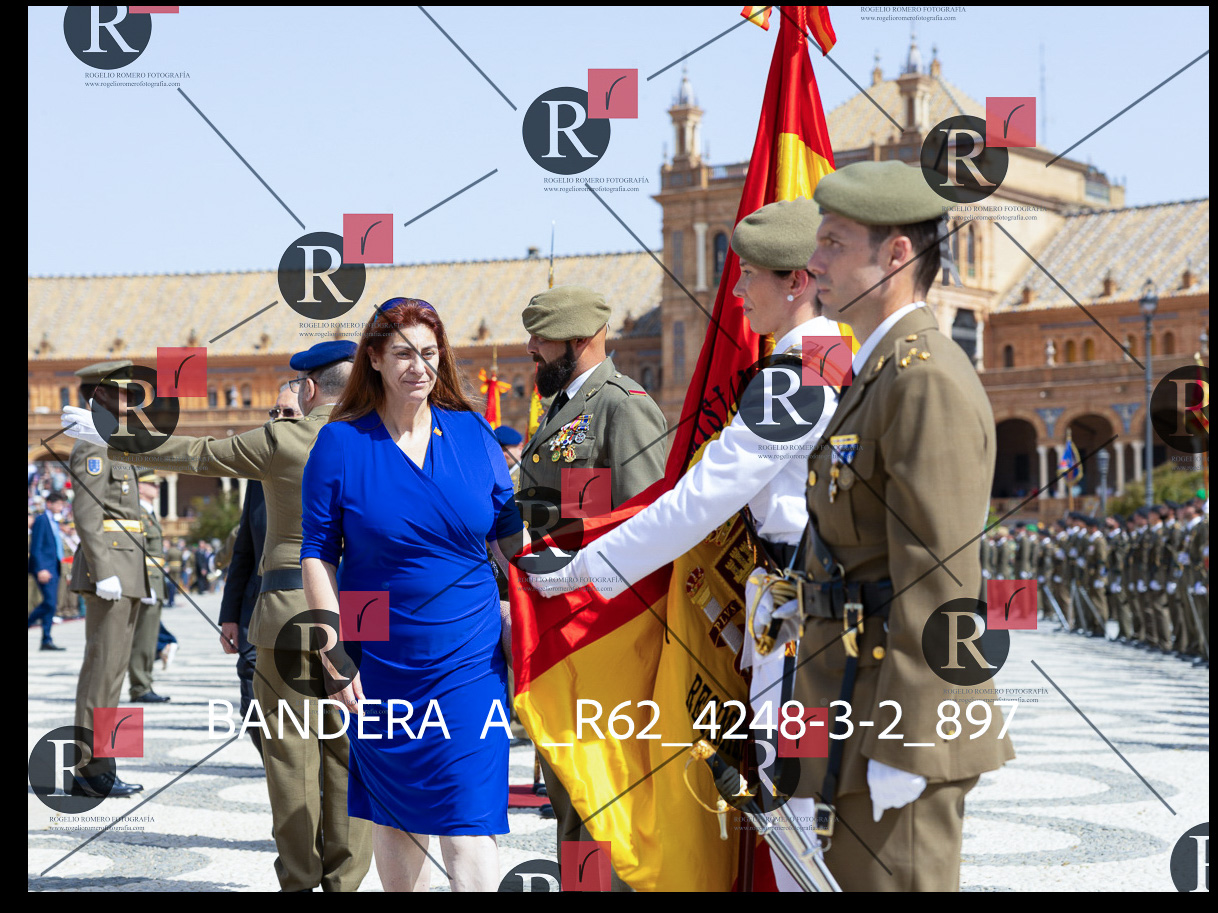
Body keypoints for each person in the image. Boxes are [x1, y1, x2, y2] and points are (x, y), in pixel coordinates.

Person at [62, 341, 373, 892]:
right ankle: (347, 881)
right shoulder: (386, 442)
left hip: (288, 610)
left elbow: (197, 454)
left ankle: (301, 880)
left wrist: (113, 435)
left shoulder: (285, 438)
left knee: (289, 753)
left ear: (308, 388)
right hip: (366, 614)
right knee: (354, 753)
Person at [800, 160, 1013, 890]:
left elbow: (940, 572)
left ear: (896, 255)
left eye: (833, 242)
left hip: (895, 716)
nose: (815, 261)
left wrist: (912, 737)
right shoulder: (879, 370)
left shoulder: (922, 377)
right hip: (850, 696)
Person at [302, 298, 523, 892]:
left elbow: (512, 541)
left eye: (429, 353)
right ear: (374, 359)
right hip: (376, 646)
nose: (418, 367)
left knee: (469, 815)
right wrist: (331, 647)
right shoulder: (340, 443)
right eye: (403, 354)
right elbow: (317, 551)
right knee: (396, 816)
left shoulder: (473, 432)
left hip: (470, 650)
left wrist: (562, 587)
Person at [516, 284, 668, 890]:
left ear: (579, 339)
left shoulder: (622, 407)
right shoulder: (564, 407)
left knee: (603, 794)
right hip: (562, 631)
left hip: (607, 637)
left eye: (541, 338)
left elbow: (648, 528)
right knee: (571, 792)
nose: (531, 348)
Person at [64, 360, 150, 798]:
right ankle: (88, 771)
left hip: (128, 569)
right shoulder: (92, 445)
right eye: (120, 392)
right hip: (111, 570)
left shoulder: (112, 441)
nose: (129, 400)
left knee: (115, 672)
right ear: (98, 395)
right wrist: (103, 571)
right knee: (101, 672)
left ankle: (109, 765)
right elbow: (86, 514)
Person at [219, 479, 267, 759]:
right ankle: (281, 773)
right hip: (259, 604)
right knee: (253, 701)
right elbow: (244, 549)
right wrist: (230, 616)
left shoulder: (348, 458)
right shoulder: (260, 475)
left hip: (338, 599)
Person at [127, 471, 170, 702]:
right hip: (147, 582)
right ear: (140, 487)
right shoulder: (138, 513)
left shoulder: (149, 513)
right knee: (142, 638)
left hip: (155, 581)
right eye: (152, 484)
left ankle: (145, 683)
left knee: (150, 636)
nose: (157, 487)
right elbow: (136, 552)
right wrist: (142, 583)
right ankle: (140, 687)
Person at [28, 490, 69, 651]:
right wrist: (40, 569)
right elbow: (36, 547)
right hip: (45, 568)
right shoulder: (41, 520)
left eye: (62, 504)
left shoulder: (54, 521)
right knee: (50, 602)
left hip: (54, 566)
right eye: (58, 503)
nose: (60, 507)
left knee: (51, 605)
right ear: (49, 504)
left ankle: (46, 638)